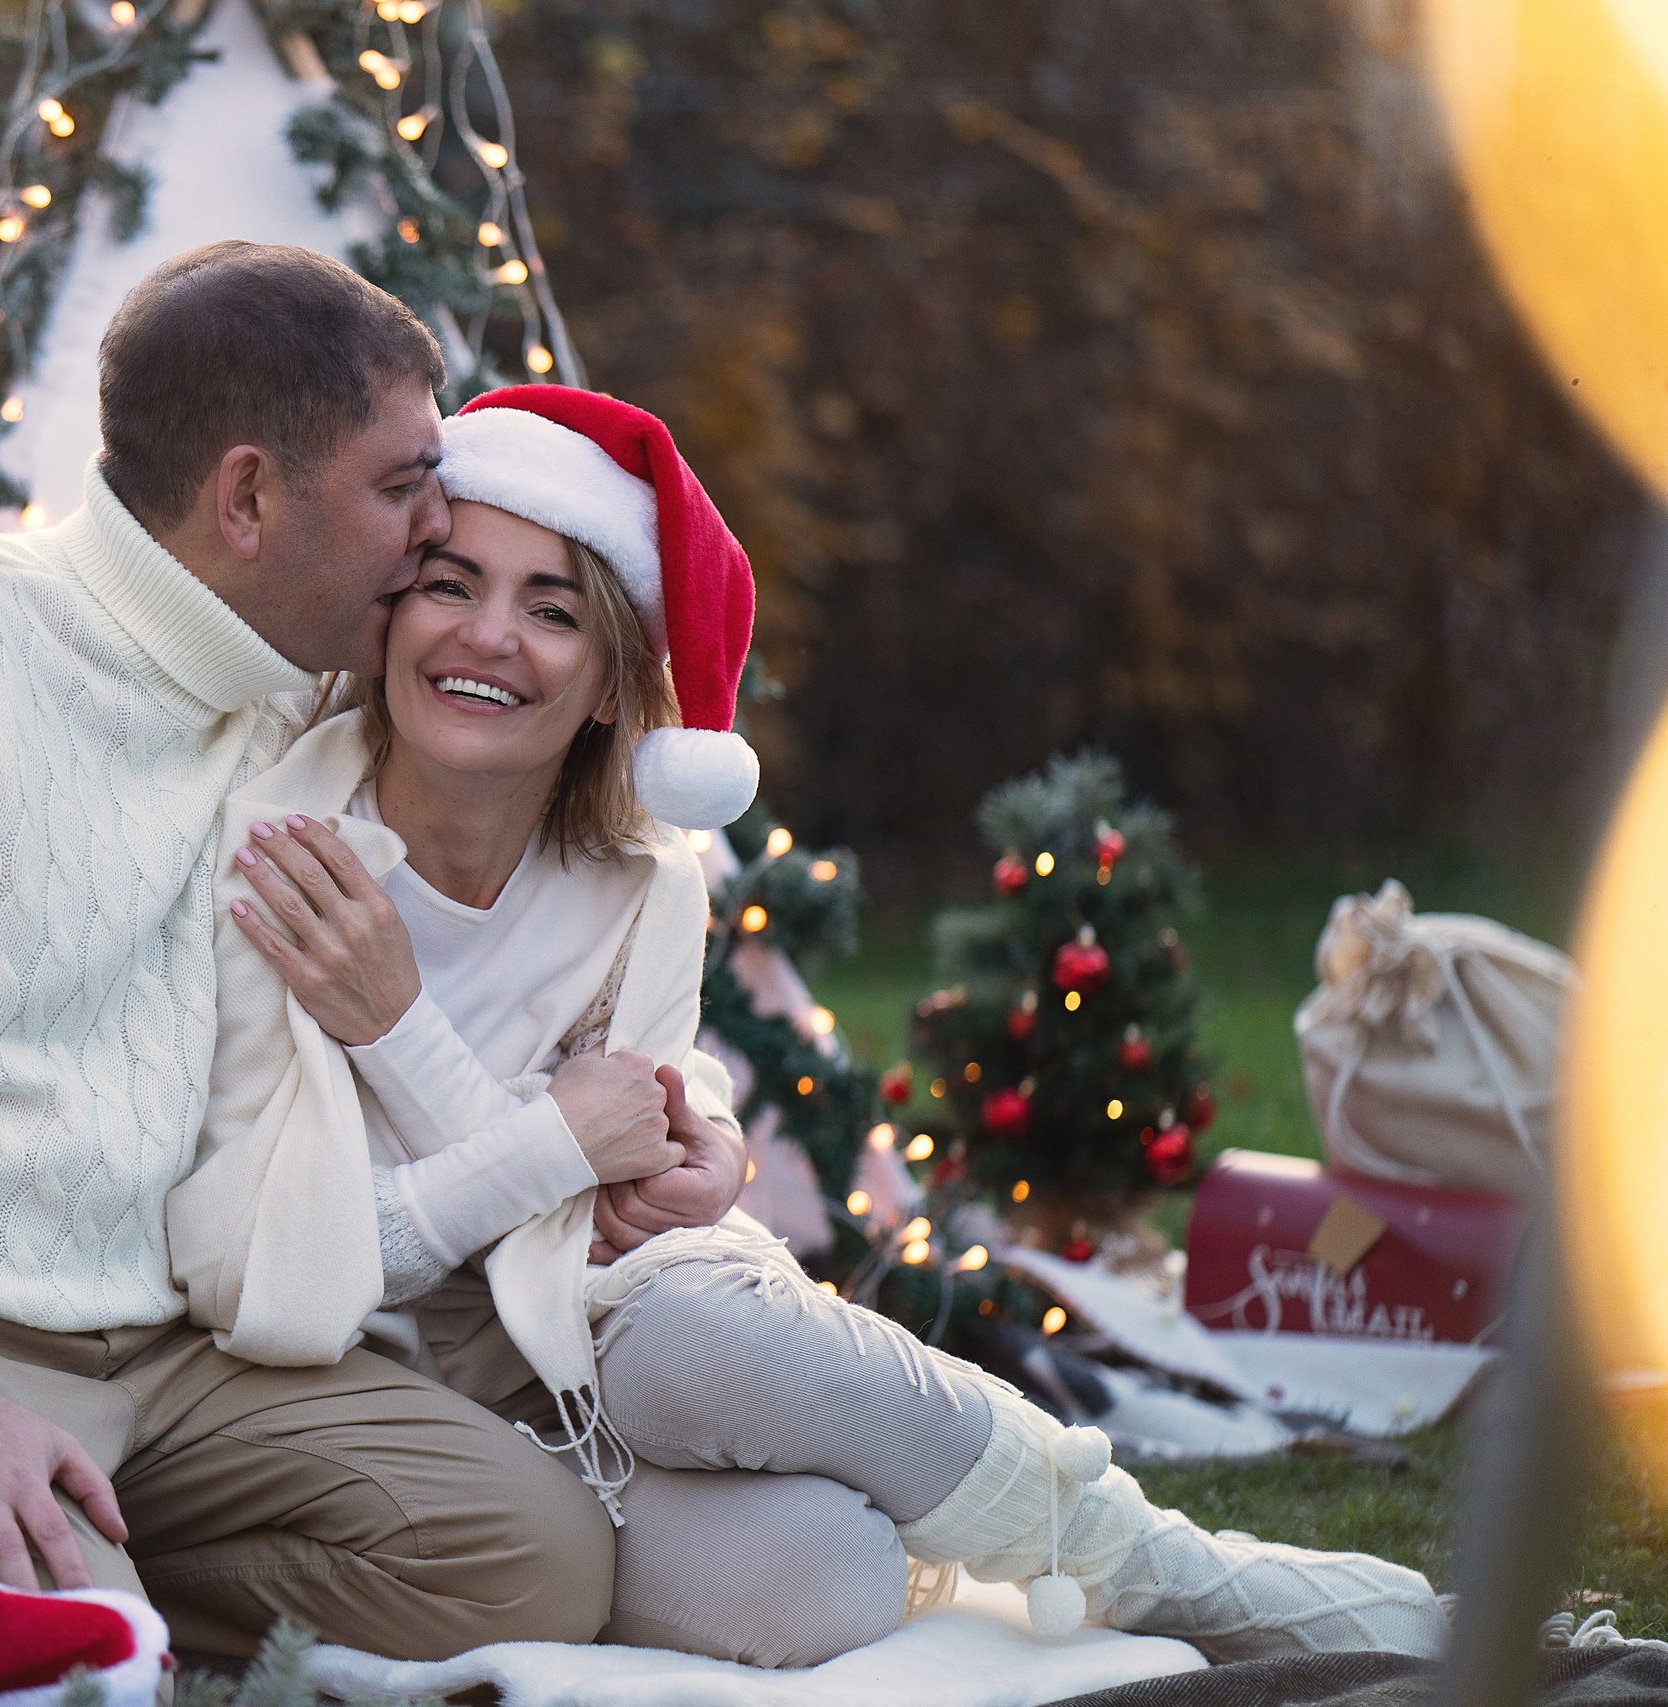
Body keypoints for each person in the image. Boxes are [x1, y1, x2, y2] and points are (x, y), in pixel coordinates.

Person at [0, 244, 728, 1661]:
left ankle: (70, 1612)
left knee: (530, 1562)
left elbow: (569, 909)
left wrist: (687, 1115)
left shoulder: (303, 697)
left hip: (165, 1345)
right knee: (44, 1642)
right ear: (249, 496)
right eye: (405, 482)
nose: (442, 525)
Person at [170, 385, 1452, 1669]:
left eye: (553, 608)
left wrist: (693, 1134)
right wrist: (431, 1053)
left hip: (602, 1329)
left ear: (615, 684)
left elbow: (617, 1145)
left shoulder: (645, 879)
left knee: (708, 1342)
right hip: (388, 1400)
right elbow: (286, 1270)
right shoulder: (289, 853)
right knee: (824, 1586)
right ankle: (1127, 1559)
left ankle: (1174, 1572)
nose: (488, 636)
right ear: (393, 613)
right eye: (451, 583)